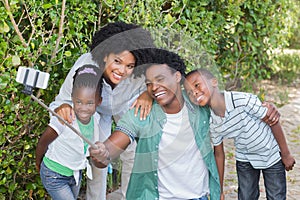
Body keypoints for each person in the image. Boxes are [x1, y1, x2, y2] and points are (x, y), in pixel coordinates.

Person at [89, 48, 221, 200]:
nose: (154, 87)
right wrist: (103, 152)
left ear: (177, 76)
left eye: (160, 79)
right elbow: (114, 144)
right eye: (148, 84)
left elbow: (225, 107)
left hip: (198, 196)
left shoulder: (198, 104)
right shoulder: (141, 112)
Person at [48, 22, 155, 199]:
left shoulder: (143, 70)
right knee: (99, 153)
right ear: (105, 54)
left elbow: (166, 79)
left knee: (134, 149)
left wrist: (147, 94)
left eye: (129, 66)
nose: (122, 70)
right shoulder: (85, 68)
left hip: (127, 103)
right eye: (117, 61)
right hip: (95, 109)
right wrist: (64, 107)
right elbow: (62, 100)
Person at [183, 68, 296, 200]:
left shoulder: (242, 100)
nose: (194, 92)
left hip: (270, 154)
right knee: (246, 196)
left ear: (214, 82)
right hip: (245, 158)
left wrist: (286, 154)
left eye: (197, 85)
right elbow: (218, 154)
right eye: (189, 92)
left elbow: (273, 121)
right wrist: (218, 189)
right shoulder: (212, 121)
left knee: (276, 196)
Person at [36, 65, 104, 200]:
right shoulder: (64, 119)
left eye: (90, 103)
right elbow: (43, 142)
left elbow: (88, 145)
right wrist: (39, 163)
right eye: (79, 102)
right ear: (72, 97)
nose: (83, 109)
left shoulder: (96, 119)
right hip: (54, 175)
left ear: (99, 101)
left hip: (75, 174)